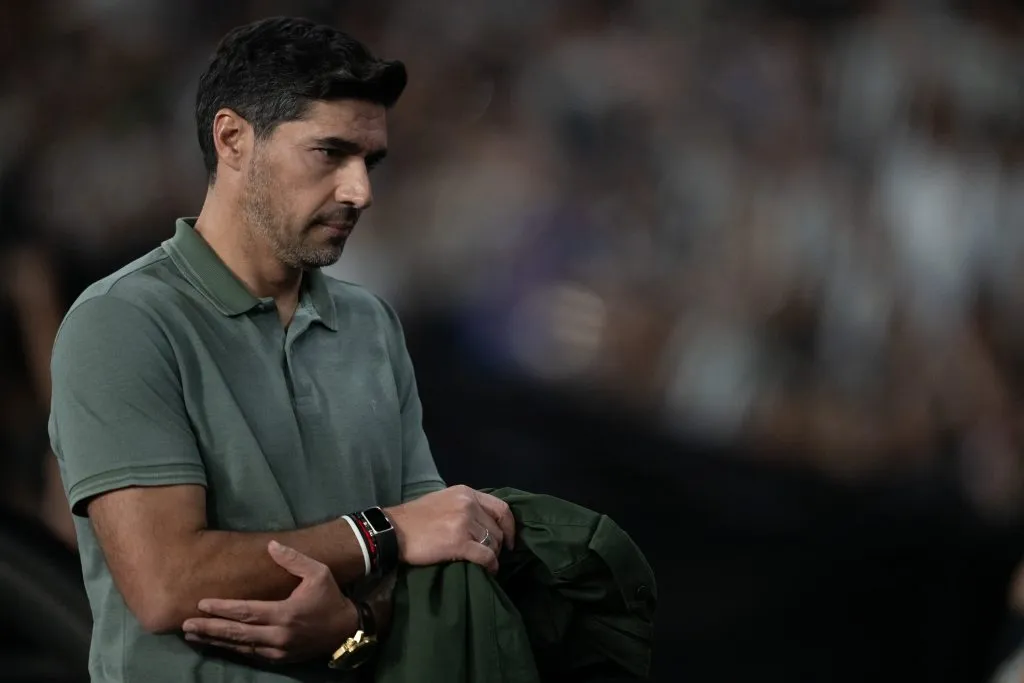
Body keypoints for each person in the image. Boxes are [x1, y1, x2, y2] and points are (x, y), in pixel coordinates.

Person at [48, 16, 516, 682]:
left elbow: (439, 558)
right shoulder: (120, 322)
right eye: (330, 153)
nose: (360, 191)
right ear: (233, 139)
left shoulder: (372, 323)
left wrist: (349, 630)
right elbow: (167, 582)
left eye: (369, 161)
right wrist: (381, 533)